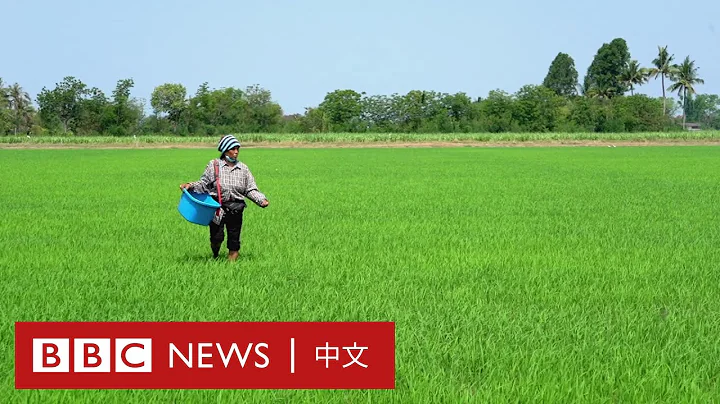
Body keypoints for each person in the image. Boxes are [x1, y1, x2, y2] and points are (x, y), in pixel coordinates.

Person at [180, 135, 269, 261]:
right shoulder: (214, 165)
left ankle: (231, 269)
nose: (236, 152)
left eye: (238, 149)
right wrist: (190, 185)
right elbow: (204, 183)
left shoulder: (243, 169)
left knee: (234, 241)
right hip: (217, 209)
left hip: (236, 209)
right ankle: (215, 255)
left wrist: (261, 200)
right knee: (216, 238)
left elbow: (250, 189)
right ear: (225, 150)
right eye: (233, 149)